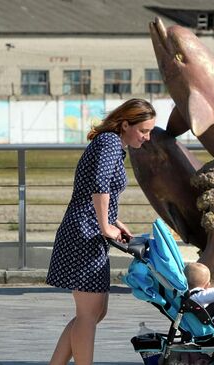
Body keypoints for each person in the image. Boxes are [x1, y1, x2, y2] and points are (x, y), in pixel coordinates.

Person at [46, 98, 156, 365]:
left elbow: (96, 189)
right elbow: (98, 186)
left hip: (88, 230)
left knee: (95, 311)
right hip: (84, 232)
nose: (147, 137)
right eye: (143, 130)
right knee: (89, 312)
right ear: (125, 124)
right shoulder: (108, 143)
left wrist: (113, 221)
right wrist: (105, 224)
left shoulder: (114, 146)